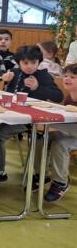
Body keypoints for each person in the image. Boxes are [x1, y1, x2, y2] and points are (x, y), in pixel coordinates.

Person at [0, 45, 63, 182]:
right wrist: (3, 77)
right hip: (9, 115)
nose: (30, 66)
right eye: (25, 63)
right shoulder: (16, 72)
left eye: (34, 63)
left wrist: (37, 88)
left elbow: (58, 96)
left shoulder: (43, 76)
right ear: (19, 63)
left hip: (30, 120)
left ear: (39, 63)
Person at [41, 63, 77, 201]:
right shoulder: (69, 97)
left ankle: (60, 183)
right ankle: (39, 174)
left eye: (73, 77)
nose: (67, 79)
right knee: (44, 136)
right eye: (66, 76)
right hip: (73, 131)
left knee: (61, 144)